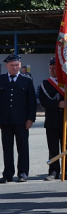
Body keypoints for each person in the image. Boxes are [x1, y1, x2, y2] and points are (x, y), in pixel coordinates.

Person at [0, 54, 37, 183]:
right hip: (5, 121)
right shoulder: (1, 79)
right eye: (12, 65)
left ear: (20, 65)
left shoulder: (26, 80)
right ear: (6, 66)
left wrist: (30, 119)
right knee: (7, 148)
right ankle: (8, 174)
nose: (15, 68)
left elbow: (31, 102)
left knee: (23, 148)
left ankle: (22, 173)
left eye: (17, 65)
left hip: (21, 121)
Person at [39, 57, 67, 181]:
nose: (52, 71)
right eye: (50, 68)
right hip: (52, 121)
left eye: (54, 68)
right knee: (53, 147)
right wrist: (57, 104)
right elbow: (44, 102)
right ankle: (53, 171)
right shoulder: (45, 84)